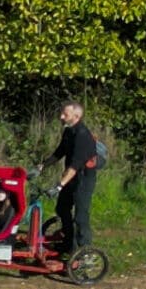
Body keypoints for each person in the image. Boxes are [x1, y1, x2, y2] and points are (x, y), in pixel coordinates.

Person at [36, 100, 99, 253]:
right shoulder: (69, 131)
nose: (61, 116)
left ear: (76, 116)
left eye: (65, 114)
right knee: (62, 208)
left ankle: (84, 254)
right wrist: (42, 166)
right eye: (62, 113)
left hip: (83, 179)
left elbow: (75, 166)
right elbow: (60, 152)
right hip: (70, 178)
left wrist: (59, 185)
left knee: (80, 217)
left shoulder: (83, 136)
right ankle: (69, 244)